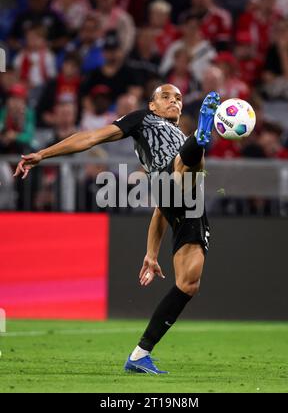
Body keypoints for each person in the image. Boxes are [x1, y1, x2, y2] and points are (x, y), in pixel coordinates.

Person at [14, 84, 220, 374]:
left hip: (188, 208)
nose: (173, 101)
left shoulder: (176, 134)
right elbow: (91, 137)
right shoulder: (143, 120)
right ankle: (201, 139)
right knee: (185, 168)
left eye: (178, 98)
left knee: (189, 283)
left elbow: (161, 209)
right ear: (152, 105)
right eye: (165, 97)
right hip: (173, 177)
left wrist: (151, 253)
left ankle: (139, 355)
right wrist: (43, 154)